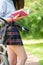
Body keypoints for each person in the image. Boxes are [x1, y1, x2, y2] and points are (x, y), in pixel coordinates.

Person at [0, 0, 27, 65]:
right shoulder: (3, 1)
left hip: (12, 29)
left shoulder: (11, 1)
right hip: (9, 30)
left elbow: (11, 17)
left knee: (12, 61)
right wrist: (13, 19)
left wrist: (18, 17)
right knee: (23, 57)